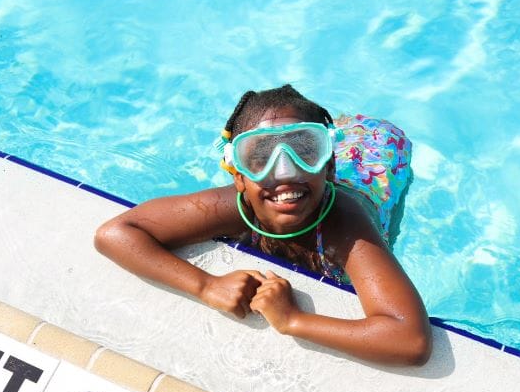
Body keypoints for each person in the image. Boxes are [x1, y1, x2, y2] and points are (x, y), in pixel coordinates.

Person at [95, 85, 431, 366]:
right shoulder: (231, 206)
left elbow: (409, 339)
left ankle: (344, 134)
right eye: (260, 157)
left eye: (305, 151)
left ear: (329, 167)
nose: (284, 172)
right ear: (238, 176)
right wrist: (205, 285)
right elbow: (116, 233)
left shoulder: (347, 224)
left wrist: (294, 320)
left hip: (378, 155)